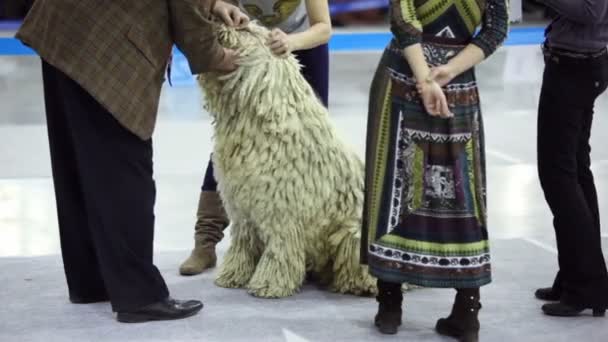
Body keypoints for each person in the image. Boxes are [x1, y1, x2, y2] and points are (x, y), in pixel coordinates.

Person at [16, 0, 248, 323]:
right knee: (125, 172)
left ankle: (91, 280)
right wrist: (215, 56)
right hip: (105, 40)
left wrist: (213, 3)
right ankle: (140, 295)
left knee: (79, 162)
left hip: (66, 26)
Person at [360, 0, 507, 340]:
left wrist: (426, 79)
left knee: (391, 186)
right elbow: (497, 28)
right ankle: (468, 311)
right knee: (464, 192)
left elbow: (403, 19)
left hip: (405, 77)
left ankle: (389, 306)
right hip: (456, 87)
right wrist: (449, 71)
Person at [179, 0, 332, 275]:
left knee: (308, 148)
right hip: (246, 47)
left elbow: (323, 28)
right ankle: (206, 240)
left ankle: (305, 241)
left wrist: (291, 42)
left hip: (303, 44)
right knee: (236, 142)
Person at [534, 0, 608, 318]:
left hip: (576, 67)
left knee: (559, 176)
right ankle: (577, 275)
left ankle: (587, 284)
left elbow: (592, 10)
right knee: (575, 171)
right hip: (577, 63)